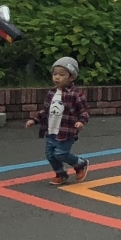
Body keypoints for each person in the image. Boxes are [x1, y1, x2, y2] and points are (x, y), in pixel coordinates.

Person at [30, 56, 90, 185]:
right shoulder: (51, 93)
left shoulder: (75, 94)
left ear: (71, 77)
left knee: (61, 153)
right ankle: (60, 174)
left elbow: (84, 110)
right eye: (55, 74)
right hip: (51, 130)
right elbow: (45, 111)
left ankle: (80, 163)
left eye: (62, 75)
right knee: (50, 154)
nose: (57, 77)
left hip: (66, 131)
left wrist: (81, 121)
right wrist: (35, 120)